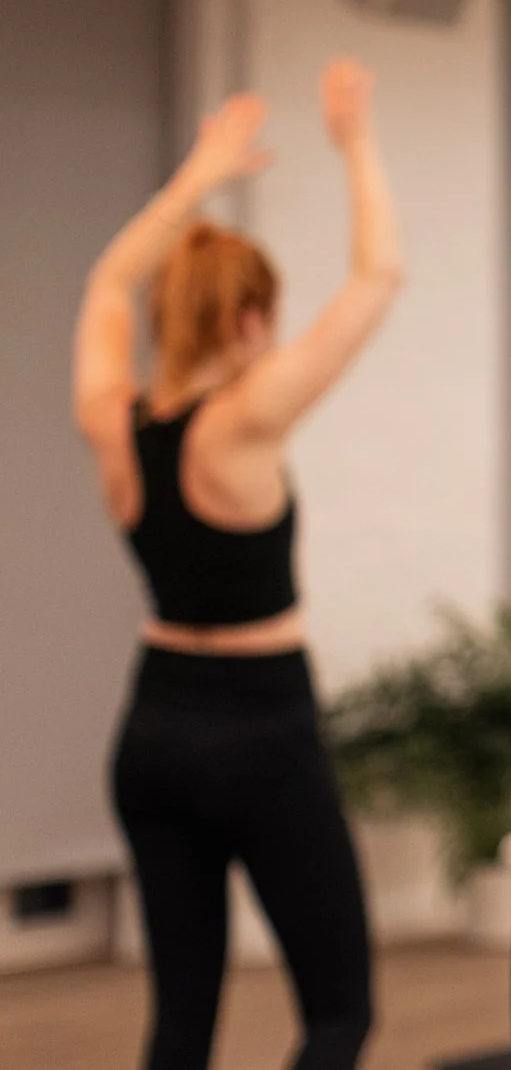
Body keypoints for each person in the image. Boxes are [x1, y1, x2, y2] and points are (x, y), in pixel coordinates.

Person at [72, 64, 402, 1070]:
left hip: (155, 727)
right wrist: (351, 142)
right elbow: (377, 278)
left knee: (180, 1020)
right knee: (338, 1014)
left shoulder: (114, 422)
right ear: (248, 320)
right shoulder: (249, 419)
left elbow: (105, 285)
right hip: (261, 729)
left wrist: (197, 179)